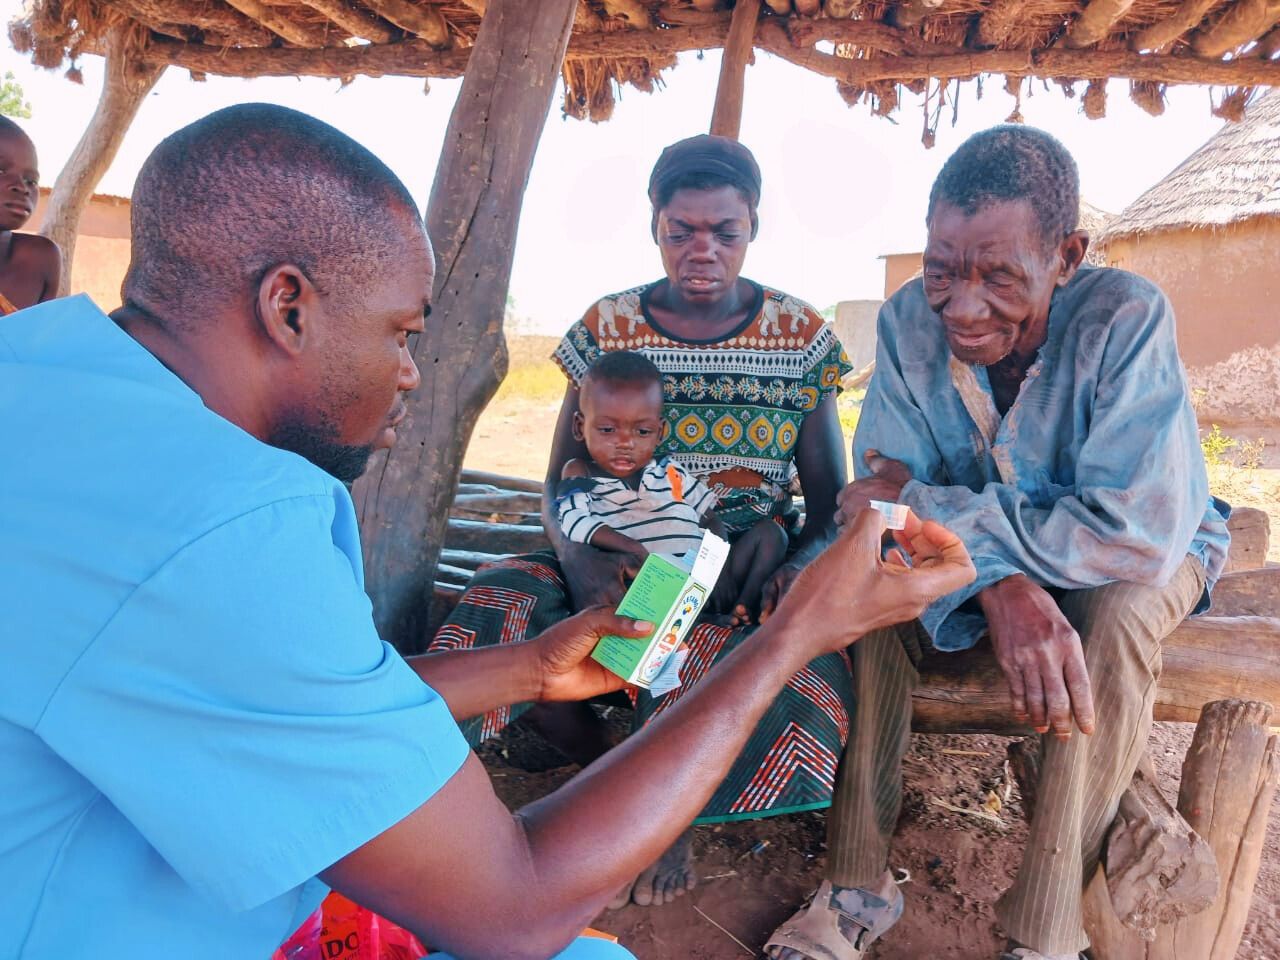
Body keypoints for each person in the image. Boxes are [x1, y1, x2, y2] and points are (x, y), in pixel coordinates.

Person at [0, 103, 977, 960]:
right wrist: (794, 635)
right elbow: (512, 911)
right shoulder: (230, 528)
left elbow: (279, 692)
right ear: (287, 307)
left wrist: (528, 669)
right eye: (400, 332)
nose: (411, 373)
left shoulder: (32, 367)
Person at [764, 126, 1231, 960]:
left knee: (1118, 616)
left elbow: (1133, 533)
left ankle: (1047, 932)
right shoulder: (907, 322)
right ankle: (856, 885)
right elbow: (882, 511)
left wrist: (943, 521)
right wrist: (1001, 583)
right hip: (988, 559)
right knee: (876, 588)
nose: (962, 306)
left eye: (1000, 276)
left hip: (1153, 551)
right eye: (942, 269)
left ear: (1067, 256)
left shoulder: (1125, 317)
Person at [430, 133, 854, 906]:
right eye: (680, 230)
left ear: (753, 227)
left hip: (739, 568)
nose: (702, 249)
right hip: (615, 545)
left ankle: (661, 814)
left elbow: (831, 501)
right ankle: (592, 765)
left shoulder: (801, 337)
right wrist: (583, 564)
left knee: (730, 657)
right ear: (654, 224)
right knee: (500, 604)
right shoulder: (608, 327)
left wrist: (794, 561)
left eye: (724, 231)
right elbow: (561, 480)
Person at [556, 350, 788, 622]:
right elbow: (572, 521)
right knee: (628, 586)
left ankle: (743, 608)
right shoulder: (579, 471)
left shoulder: (670, 470)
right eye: (607, 429)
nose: (625, 443)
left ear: (660, 432)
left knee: (772, 535)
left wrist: (719, 567)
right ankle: (702, 621)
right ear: (580, 426)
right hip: (646, 580)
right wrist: (631, 547)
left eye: (642, 431)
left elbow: (709, 519)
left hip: (703, 573)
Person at [0, 116, 61, 314]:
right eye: (0, 171)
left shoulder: (39, 260)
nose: (21, 187)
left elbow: (41, 331)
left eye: (31, 180)